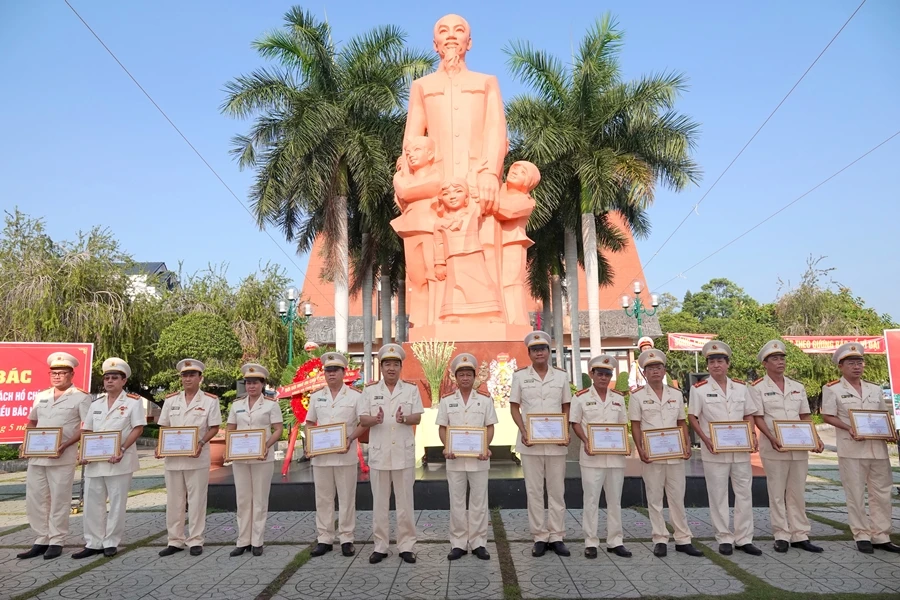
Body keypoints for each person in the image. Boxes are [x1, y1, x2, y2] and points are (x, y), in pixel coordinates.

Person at [821, 343, 900, 554]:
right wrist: (849, 427)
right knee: (855, 493)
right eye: (851, 363)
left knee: (882, 492)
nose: (856, 367)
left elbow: (882, 416)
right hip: (852, 448)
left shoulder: (874, 388)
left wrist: (890, 432)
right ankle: (862, 535)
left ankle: (881, 535)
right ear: (841, 366)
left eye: (859, 362)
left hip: (877, 448)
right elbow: (827, 415)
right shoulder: (832, 389)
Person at [749, 340, 824, 553]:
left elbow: (805, 416)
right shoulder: (757, 388)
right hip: (775, 447)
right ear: (765, 363)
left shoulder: (797, 387)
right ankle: (781, 534)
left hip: (798, 447)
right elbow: (758, 417)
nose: (780, 362)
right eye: (774, 358)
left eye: (782, 358)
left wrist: (815, 437)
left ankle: (800, 534)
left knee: (797, 492)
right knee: (776, 492)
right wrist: (771, 437)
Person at [688, 341, 761, 556]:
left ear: (728, 364)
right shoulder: (699, 389)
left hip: (739, 449)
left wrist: (752, 434)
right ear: (708, 365)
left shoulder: (741, 387)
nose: (716, 365)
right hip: (714, 450)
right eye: (712, 362)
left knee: (744, 493)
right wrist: (705, 440)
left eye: (720, 361)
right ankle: (724, 537)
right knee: (718, 495)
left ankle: (744, 538)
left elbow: (748, 414)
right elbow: (692, 417)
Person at [17, 352, 91, 560]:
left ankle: (57, 540)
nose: (57, 376)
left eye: (62, 372)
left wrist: (65, 445)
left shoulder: (81, 397)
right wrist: (26, 442)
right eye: (54, 373)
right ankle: (42, 538)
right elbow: (32, 422)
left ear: (71, 374)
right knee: (36, 498)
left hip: (62, 456)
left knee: (59, 499)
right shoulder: (42, 396)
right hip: (37, 456)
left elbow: (86, 427)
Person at [628, 349, 701, 558]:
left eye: (658, 367)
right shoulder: (637, 397)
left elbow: (681, 422)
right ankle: (660, 538)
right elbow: (635, 425)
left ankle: (683, 539)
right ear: (644, 373)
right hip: (652, 455)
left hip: (674, 453)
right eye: (650, 368)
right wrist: (640, 449)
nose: (655, 371)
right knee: (654, 498)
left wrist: (687, 444)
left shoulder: (675, 394)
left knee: (677, 497)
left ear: (664, 370)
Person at [74, 358, 146, 559]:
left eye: (114, 378)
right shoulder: (96, 404)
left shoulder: (132, 402)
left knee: (116, 503)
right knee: (92, 503)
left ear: (124, 381)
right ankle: (93, 542)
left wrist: (122, 448)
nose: (110, 381)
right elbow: (87, 429)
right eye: (107, 378)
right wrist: (83, 452)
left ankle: (111, 542)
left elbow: (138, 428)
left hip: (120, 460)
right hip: (95, 462)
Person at [358, 344, 424, 564]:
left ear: (400, 367)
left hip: (403, 453)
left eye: (395, 364)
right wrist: (375, 419)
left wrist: (404, 418)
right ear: (381, 367)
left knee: (405, 504)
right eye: (387, 364)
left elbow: (417, 417)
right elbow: (362, 418)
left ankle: (406, 546)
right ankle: (381, 546)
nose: (391, 368)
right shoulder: (370, 391)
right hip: (380, 454)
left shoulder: (410, 389)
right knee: (380, 504)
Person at [509, 330, 572, 557]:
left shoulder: (561, 377)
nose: (539, 353)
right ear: (529, 354)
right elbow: (514, 407)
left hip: (556, 443)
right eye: (534, 350)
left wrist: (564, 430)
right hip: (530, 443)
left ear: (548, 352)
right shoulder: (519, 377)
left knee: (557, 491)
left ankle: (557, 536)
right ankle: (539, 537)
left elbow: (566, 406)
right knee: (534, 491)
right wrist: (524, 431)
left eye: (542, 349)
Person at [157, 359, 222, 557]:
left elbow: (214, 427)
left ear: (200, 378)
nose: (187, 379)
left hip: (197, 457)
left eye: (192, 375)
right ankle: (175, 540)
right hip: (173, 459)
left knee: (197, 500)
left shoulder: (210, 401)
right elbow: (164, 427)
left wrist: (201, 442)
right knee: (174, 501)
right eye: (184, 375)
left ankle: (195, 539)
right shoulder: (171, 400)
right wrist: (160, 446)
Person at [437, 352, 497, 560]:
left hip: (479, 459)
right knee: (457, 502)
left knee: (479, 502)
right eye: (461, 374)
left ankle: (479, 543)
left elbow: (490, 426)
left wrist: (485, 447)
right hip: (455, 459)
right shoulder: (447, 401)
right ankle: (459, 543)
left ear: (474, 377)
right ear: (455, 377)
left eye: (468, 374)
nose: (465, 378)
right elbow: (443, 427)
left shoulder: (485, 400)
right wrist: (446, 447)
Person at [570, 354, 631, 559]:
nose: (603, 377)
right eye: (600, 374)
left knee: (615, 501)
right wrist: (586, 440)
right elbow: (575, 423)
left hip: (615, 457)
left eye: (607, 374)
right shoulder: (581, 397)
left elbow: (622, 425)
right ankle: (591, 541)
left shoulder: (618, 398)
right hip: (592, 457)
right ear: (592, 374)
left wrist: (625, 445)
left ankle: (615, 541)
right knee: (591, 500)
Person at [307, 352, 366, 558]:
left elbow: (363, 423)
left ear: (344, 372)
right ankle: (324, 538)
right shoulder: (316, 396)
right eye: (328, 370)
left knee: (347, 498)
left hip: (344, 455)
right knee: (323, 499)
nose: (331, 374)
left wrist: (350, 439)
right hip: (321, 457)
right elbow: (309, 423)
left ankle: (346, 538)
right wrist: (310, 444)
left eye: (335, 370)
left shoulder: (355, 396)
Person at [227, 363, 284, 557]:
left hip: (262, 457)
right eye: (248, 382)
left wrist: (266, 445)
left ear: (262, 384)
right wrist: (230, 449)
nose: (251, 386)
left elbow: (278, 429)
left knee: (259, 499)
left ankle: (257, 541)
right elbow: (230, 429)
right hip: (241, 459)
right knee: (243, 499)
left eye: (255, 382)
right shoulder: (237, 405)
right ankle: (243, 540)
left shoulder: (271, 405)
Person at [433, 177, 503, 321]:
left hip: (473, 254)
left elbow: (480, 199)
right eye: (446, 193)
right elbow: (438, 244)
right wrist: (439, 263)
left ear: (466, 196)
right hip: (452, 258)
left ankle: (491, 312)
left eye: (458, 191)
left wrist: (476, 176)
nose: (452, 196)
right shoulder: (439, 223)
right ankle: (452, 313)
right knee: (454, 285)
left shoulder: (473, 212)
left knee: (482, 282)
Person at [391, 136, 442, 327]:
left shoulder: (436, 176)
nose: (411, 155)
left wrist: (400, 177)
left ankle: (436, 319)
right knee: (416, 278)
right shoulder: (406, 178)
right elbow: (401, 199)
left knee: (434, 275)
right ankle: (420, 323)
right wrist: (402, 178)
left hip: (429, 228)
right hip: (411, 228)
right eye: (408, 152)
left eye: (417, 150)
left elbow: (405, 192)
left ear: (431, 154)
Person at [495, 161, 539, 326]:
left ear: (529, 182)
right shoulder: (498, 189)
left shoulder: (527, 201)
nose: (515, 172)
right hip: (493, 244)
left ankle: (516, 322)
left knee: (512, 283)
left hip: (512, 243)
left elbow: (506, 211)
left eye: (522, 172)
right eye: (514, 168)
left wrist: (487, 199)